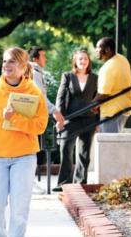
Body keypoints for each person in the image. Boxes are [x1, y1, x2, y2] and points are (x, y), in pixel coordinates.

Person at [0, 47, 48, 237]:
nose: (6, 65)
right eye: (4, 61)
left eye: (11, 61)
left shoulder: (34, 92)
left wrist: (14, 119)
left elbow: (40, 126)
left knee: (19, 212)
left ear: (23, 66)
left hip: (24, 158)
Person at [52, 50, 98, 192]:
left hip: (89, 119)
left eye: (85, 59)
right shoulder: (68, 76)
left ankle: (80, 182)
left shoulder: (95, 78)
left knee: (84, 153)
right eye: (80, 59)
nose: (83, 61)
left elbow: (99, 100)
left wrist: (98, 121)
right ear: (75, 61)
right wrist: (59, 118)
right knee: (66, 150)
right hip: (70, 119)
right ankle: (64, 183)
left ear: (89, 61)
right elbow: (60, 97)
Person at [28, 46, 65, 194]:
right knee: (31, 151)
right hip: (31, 117)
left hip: (32, 117)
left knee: (33, 151)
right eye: (43, 56)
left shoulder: (34, 71)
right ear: (35, 59)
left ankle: (28, 183)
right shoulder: (33, 72)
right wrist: (54, 111)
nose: (46, 59)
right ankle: (29, 184)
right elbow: (39, 96)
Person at [92, 37, 131, 133]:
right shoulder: (121, 59)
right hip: (124, 107)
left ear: (107, 49)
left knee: (109, 145)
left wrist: (93, 104)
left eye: (98, 47)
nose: (96, 50)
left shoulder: (108, 67)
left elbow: (103, 94)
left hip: (112, 112)